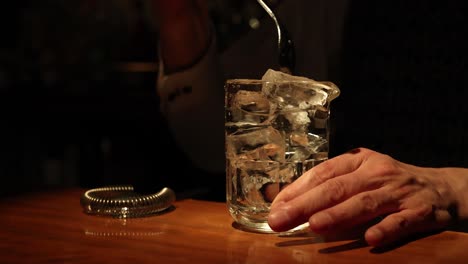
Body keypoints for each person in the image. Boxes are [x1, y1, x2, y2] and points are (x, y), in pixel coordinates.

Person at [152, 0, 468, 247]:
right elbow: (213, 143)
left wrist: (452, 186)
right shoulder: (303, 15)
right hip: (338, 238)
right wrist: (178, 19)